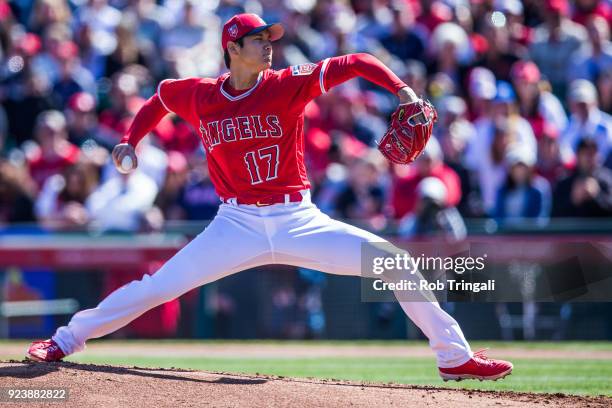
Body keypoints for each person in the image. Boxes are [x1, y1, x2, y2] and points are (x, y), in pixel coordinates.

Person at [27, 13, 512, 381]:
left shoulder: (287, 85)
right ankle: (65, 339)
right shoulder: (200, 95)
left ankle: (453, 357)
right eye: (260, 40)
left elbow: (358, 61)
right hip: (234, 225)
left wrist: (403, 91)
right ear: (232, 48)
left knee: (396, 264)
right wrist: (131, 140)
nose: (269, 47)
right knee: (156, 288)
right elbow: (159, 98)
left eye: (269, 39)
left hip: (298, 218)